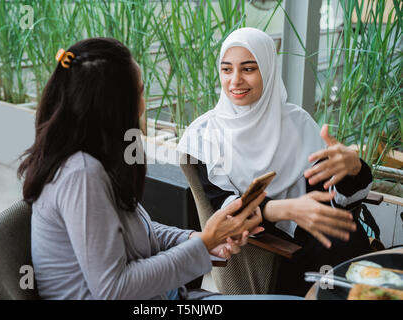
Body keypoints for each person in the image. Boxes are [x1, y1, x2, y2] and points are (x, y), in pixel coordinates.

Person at [18, 37, 300, 300]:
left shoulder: (92, 161)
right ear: (113, 107)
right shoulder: (81, 174)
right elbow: (113, 289)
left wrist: (198, 239)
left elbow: (134, 233)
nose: (143, 106)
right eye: (140, 93)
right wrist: (204, 244)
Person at [177, 28, 373, 296]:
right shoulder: (205, 136)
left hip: (319, 234)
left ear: (268, 70)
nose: (235, 80)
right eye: (226, 70)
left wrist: (354, 169)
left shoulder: (297, 122)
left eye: (248, 69)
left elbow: (333, 197)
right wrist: (288, 209)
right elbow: (227, 210)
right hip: (270, 251)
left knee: (348, 242)